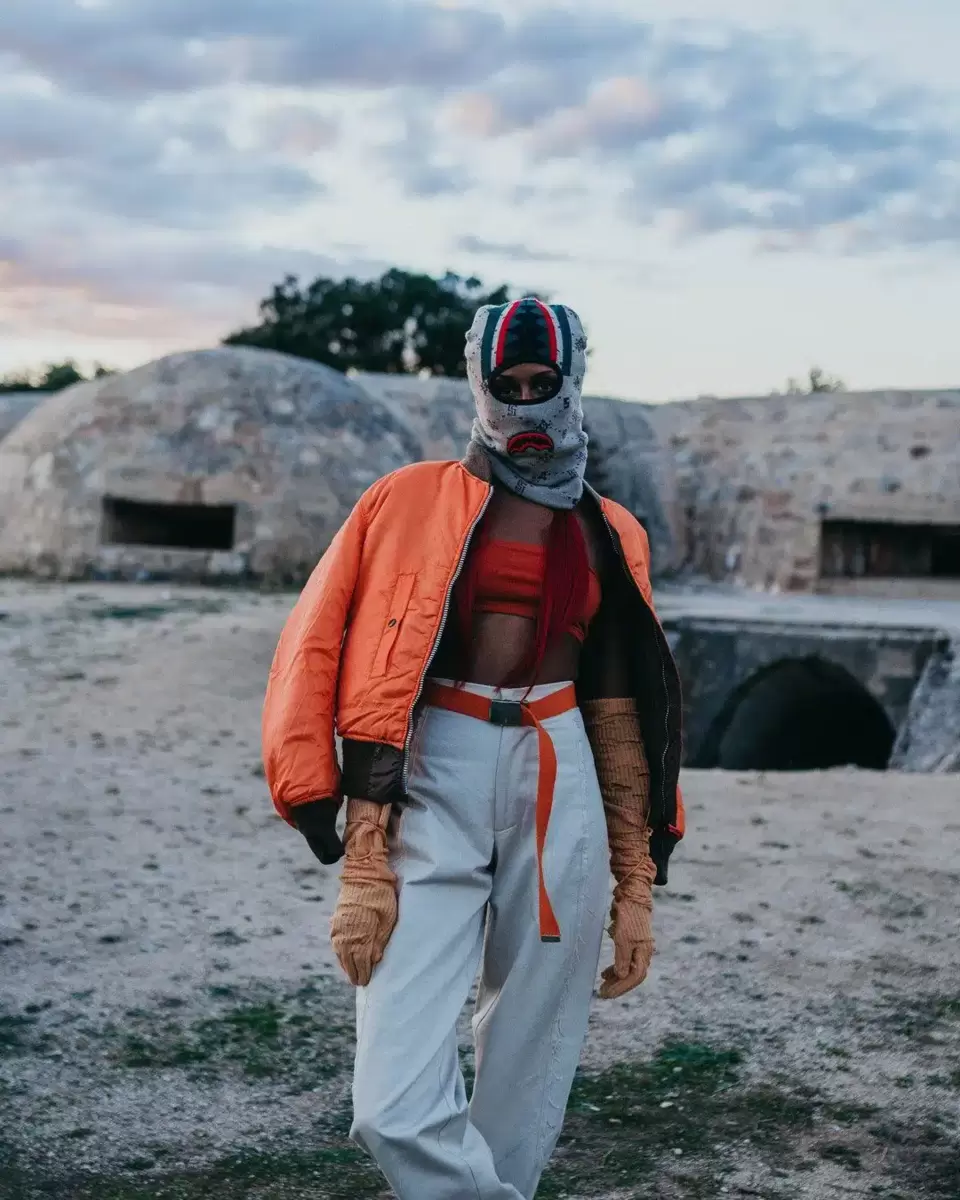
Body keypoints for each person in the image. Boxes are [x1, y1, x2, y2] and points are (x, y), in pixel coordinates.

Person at [262, 297, 684, 1199]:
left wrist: (635, 886)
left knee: (531, 1063)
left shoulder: (611, 529)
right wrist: (360, 856)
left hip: (559, 767)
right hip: (435, 766)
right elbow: (322, 641)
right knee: (391, 1105)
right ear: (478, 385)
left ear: (573, 382)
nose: (525, 403)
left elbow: (622, 710)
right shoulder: (404, 499)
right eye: (507, 385)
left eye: (543, 383)